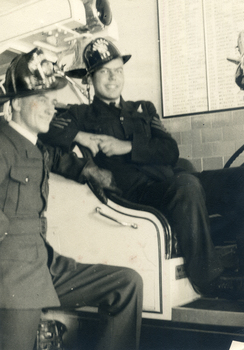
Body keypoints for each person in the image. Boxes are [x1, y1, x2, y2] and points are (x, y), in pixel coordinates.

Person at [40, 37, 244, 300]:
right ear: (89, 78)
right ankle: (209, 280)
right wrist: (81, 136)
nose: (113, 78)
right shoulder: (81, 114)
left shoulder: (144, 108)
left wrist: (125, 146)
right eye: (104, 71)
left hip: (174, 183)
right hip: (136, 195)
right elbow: (46, 128)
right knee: (186, 186)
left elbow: (170, 151)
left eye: (118, 70)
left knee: (238, 179)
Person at [0, 47, 143, 350]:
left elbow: (56, 158)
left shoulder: (34, 144)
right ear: (13, 105)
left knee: (127, 283)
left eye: (54, 101)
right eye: (41, 100)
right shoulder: (3, 145)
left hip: (45, 265)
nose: (51, 109)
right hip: (13, 278)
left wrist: (89, 170)